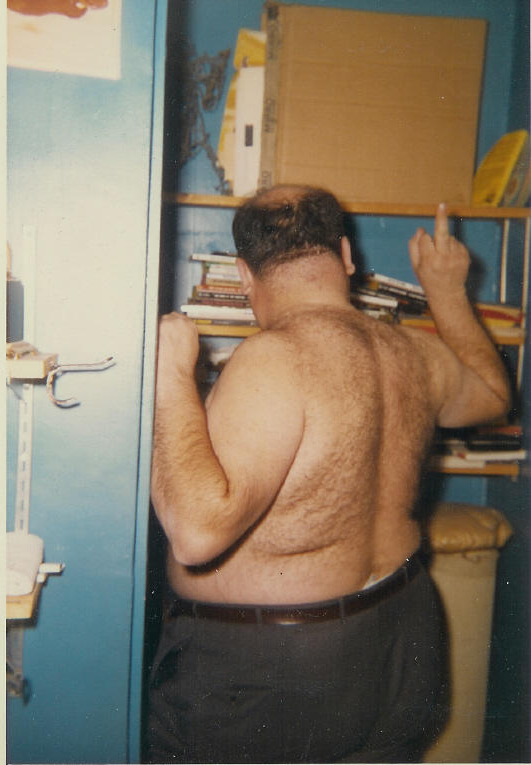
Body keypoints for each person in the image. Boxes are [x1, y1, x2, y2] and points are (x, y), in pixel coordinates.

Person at [147, 185, 510, 763]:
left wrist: (169, 372)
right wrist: (446, 292)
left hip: (270, 678)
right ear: (345, 255)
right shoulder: (415, 353)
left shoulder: (272, 358)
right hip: (401, 636)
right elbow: (493, 394)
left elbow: (195, 535)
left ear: (244, 273)